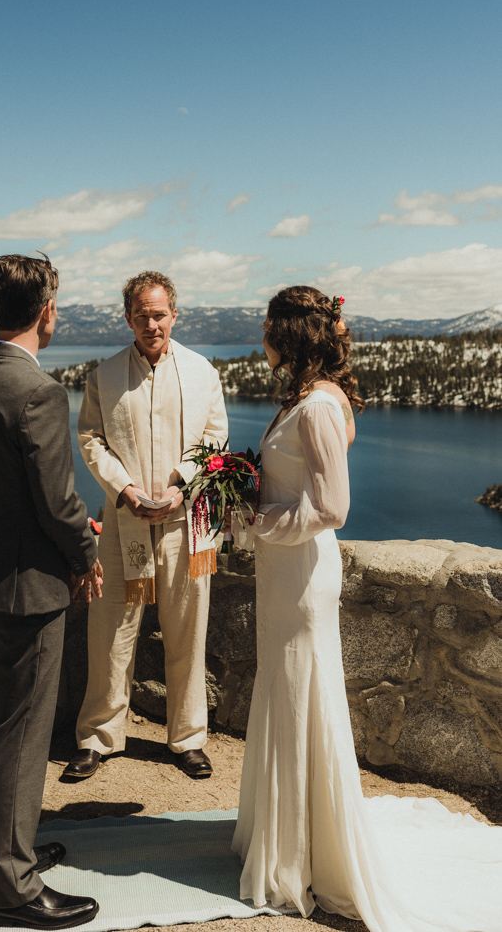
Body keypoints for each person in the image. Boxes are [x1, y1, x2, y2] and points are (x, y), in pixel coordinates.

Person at [231, 285, 502, 932]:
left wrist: (254, 517)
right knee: (285, 691)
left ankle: (302, 855)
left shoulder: (319, 407)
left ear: (291, 335)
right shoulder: (304, 399)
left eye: (268, 326)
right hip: (284, 575)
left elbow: (332, 508)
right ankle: (285, 834)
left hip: (300, 576)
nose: (261, 335)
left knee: (301, 695)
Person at [0, 254, 103, 931]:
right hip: (32, 587)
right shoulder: (37, 392)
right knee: (20, 735)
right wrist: (87, 550)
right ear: (45, 311)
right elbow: (55, 500)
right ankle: (13, 888)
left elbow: (13, 496)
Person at [62, 271, 228, 780]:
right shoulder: (105, 374)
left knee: (186, 630)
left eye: (159, 314)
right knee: (110, 629)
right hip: (123, 519)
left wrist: (181, 485)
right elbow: (90, 438)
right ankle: (98, 737)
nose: (151, 323)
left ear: (174, 315)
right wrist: (126, 491)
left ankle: (188, 739)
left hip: (185, 522)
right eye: (142, 315)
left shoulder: (203, 371)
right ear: (128, 317)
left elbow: (216, 438)